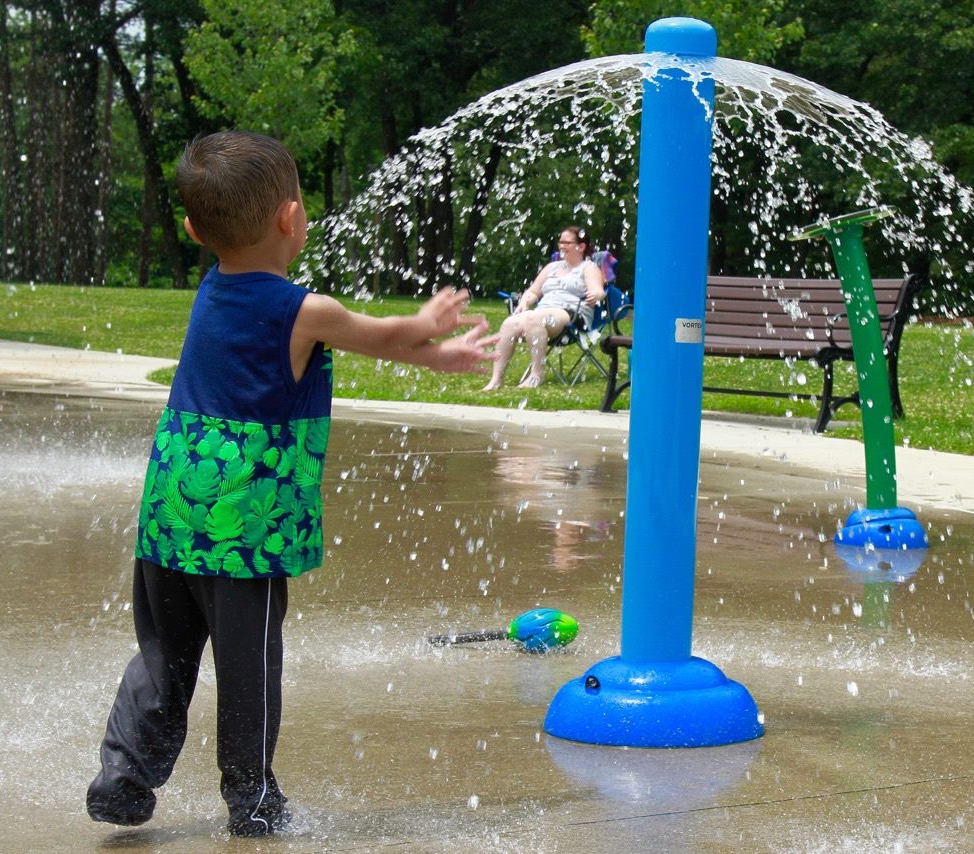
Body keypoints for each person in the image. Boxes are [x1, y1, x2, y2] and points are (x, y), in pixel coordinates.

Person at [85, 131, 495, 838]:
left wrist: (429, 347)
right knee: (250, 667)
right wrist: (431, 332)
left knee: (165, 654)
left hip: (173, 511)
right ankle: (251, 798)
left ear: (192, 230)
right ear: (289, 218)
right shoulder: (301, 309)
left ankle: (124, 776)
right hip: (245, 525)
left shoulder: (213, 287)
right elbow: (381, 335)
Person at [481, 225, 605, 390]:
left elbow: (598, 290)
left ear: (581, 246)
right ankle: (496, 379)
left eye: (567, 242)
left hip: (571, 314)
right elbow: (533, 291)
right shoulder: (551, 267)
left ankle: (537, 375)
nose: (562, 246)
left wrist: (595, 295)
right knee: (509, 323)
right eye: (560, 242)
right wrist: (525, 302)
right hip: (543, 312)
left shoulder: (588, 267)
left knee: (534, 318)